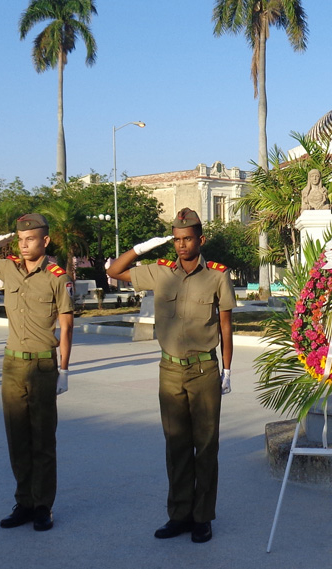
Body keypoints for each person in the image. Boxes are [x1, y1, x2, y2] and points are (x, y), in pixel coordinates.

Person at [106, 208, 235, 544]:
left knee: (205, 447)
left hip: (205, 369)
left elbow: (225, 326)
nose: (181, 245)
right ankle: (179, 515)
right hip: (170, 369)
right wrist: (142, 247)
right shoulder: (160, 273)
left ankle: (202, 517)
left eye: (187, 238)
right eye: (176, 239)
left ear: (200, 240)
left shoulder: (217, 276)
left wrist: (228, 369)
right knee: (176, 445)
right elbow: (114, 270)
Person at [0, 213, 74, 532]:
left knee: (42, 439)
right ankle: (24, 502)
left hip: (42, 364)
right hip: (12, 364)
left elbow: (66, 326)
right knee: (17, 437)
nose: (24, 244)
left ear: (45, 241)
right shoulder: (7, 267)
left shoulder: (57, 276)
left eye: (30, 239)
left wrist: (64, 370)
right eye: (19, 239)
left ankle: (43, 506)